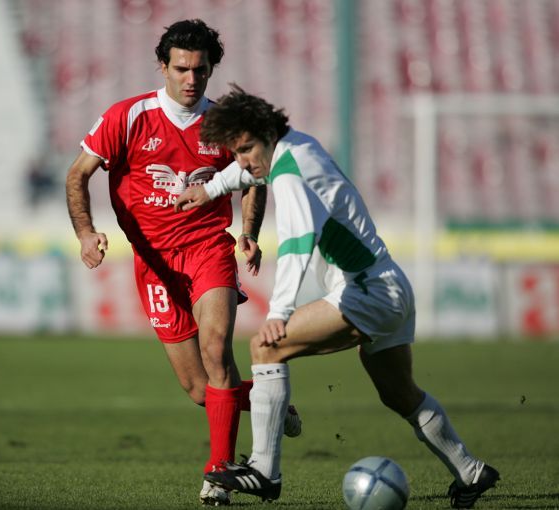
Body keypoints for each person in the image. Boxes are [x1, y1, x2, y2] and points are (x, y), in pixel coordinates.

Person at [174, 85, 499, 509]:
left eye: (247, 149)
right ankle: (471, 471)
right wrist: (213, 187)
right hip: (389, 284)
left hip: (366, 291)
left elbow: (298, 241)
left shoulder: (289, 172)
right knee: (399, 394)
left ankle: (265, 471)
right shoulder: (297, 146)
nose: (244, 161)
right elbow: (252, 172)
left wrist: (279, 312)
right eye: (236, 152)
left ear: (267, 134)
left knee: (265, 348)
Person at [64, 20, 301, 506]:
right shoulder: (127, 117)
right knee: (198, 388)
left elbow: (253, 177)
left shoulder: (222, 125)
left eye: (200, 70)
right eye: (181, 69)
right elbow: (78, 174)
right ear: (163, 67)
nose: (191, 79)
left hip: (208, 248)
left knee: (217, 351)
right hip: (154, 263)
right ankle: (268, 400)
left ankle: (219, 474)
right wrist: (86, 232)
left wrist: (249, 233)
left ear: (211, 70)